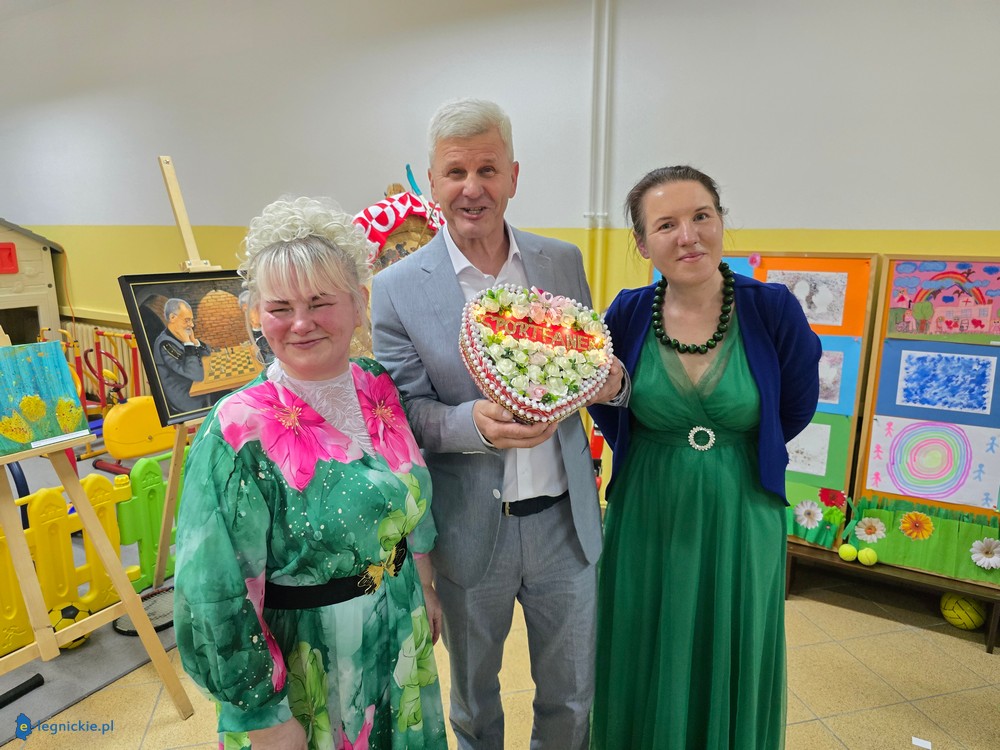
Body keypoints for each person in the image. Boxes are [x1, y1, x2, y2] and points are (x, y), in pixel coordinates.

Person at [371, 98, 622, 749]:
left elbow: (588, 362)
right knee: (475, 704)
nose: (472, 188)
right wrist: (473, 425)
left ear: (513, 176)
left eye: (487, 170)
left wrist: (610, 380)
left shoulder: (560, 261)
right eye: (455, 172)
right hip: (469, 530)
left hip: (565, 524)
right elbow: (403, 413)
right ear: (433, 181)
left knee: (571, 696)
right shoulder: (397, 287)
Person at [174, 196, 448, 750]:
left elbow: (408, 498)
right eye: (280, 308)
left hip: (399, 634)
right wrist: (263, 714)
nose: (301, 323)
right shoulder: (236, 431)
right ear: (258, 315)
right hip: (312, 668)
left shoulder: (376, 384)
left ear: (359, 304)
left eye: (320, 302)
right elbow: (213, 592)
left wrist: (424, 585)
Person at [587, 165, 821, 749]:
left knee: (732, 640)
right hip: (648, 506)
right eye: (666, 224)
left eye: (701, 217)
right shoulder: (627, 313)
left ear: (720, 222)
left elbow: (796, 404)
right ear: (643, 243)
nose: (688, 236)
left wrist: (735, 445)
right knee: (644, 639)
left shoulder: (772, 309)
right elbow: (608, 401)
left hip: (743, 506)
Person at [152, 297, 211, 413]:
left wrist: (194, 342)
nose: (192, 325)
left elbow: (208, 355)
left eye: (191, 320)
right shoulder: (165, 344)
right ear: (172, 318)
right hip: (187, 398)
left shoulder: (180, 336)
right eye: (187, 320)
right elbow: (196, 374)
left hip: (197, 388)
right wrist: (188, 344)